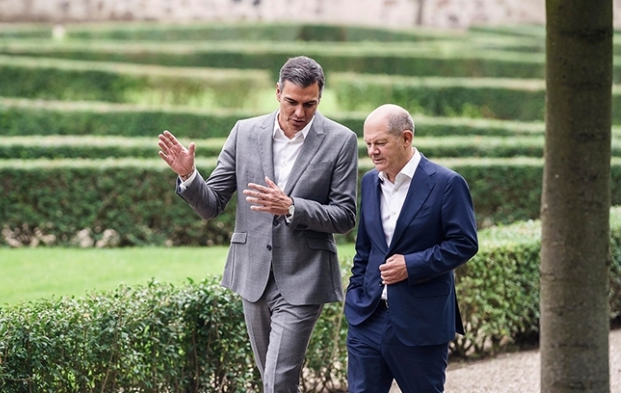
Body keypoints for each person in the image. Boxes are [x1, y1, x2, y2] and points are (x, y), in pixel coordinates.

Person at [157, 56, 359, 393]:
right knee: (273, 379)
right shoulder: (245, 132)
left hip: (305, 276)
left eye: (309, 104)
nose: (299, 113)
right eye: (291, 102)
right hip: (253, 274)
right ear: (277, 91)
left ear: (320, 98)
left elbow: (345, 216)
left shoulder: (341, 140)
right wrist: (188, 175)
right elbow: (211, 205)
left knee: (278, 379)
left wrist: (293, 206)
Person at [344, 104, 479, 392]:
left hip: (421, 322)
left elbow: (464, 243)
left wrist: (411, 265)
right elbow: (365, 249)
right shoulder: (370, 182)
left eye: (380, 143)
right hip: (367, 317)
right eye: (368, 144)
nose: (373, 151)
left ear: (406, 138)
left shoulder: (447, 183)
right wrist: (355, 294)